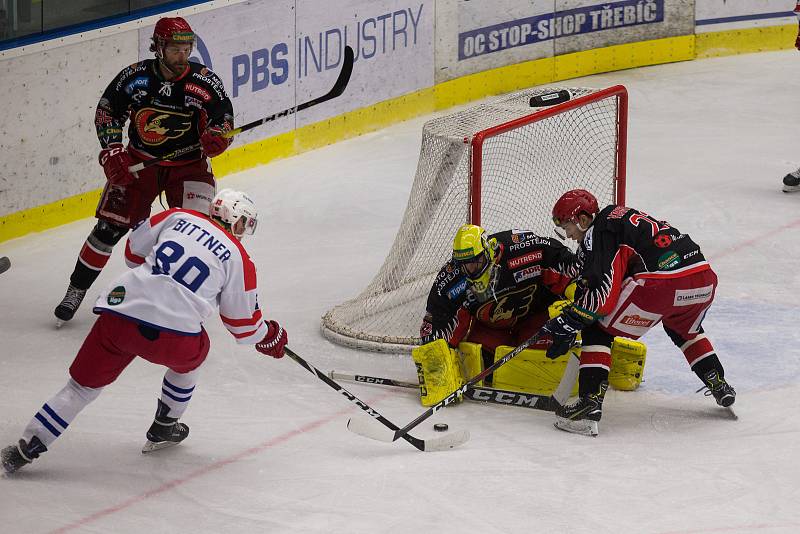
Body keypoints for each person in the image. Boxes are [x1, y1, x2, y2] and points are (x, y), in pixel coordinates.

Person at [1, 189, 288, 475]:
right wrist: (268, 335)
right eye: (245, 224)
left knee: (79, 389)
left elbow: (132, 253)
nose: (243, 231)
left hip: (120, 314)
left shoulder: (177, 216)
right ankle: (165, 425)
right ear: (236, 219)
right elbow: (242, 326)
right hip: (175, 337)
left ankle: (24, 450)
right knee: (193, 358)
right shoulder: (239, 258)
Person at [54, 16, 234, 326]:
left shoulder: (203, 82)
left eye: (187, 49)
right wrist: (112, 151)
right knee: (108, 230)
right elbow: (107, 111)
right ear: (159, 47)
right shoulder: (135, 78)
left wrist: (219, 136)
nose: (183, 56)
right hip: (139, 163)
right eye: (176, 49)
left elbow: (223, 116)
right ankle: (76, 289)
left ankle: (186, 304)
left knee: (198, 234)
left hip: (189, 166)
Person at [539, 189, 735, 437]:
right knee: (684, 329)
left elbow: (602, 298)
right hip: (702, 278)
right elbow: (587, 266)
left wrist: (569, 320)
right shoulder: (619, 220)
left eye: (568, 226)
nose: (567, 235)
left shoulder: (601, 231)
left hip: (660, 283)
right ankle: (718, 383)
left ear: (583, 218)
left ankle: (588, 408)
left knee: (596, 327)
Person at [420, 224, 576, 379]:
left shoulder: (522, 248)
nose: (471, 269)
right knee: (476, 365)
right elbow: (436, 318)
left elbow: (570, 266)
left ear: (488, 250)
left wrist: (571, 308)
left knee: (548, 360)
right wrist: (435, 366)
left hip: (535, 319)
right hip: (492, 328)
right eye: (464, 265)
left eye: (476, 261)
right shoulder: (451, 278)